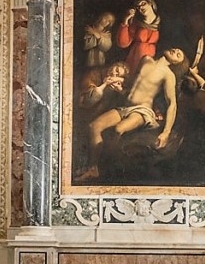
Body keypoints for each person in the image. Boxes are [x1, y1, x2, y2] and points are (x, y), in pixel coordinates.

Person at [76, 48, 188, 181]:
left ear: (176, 63)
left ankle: (108, 167)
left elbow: (172, 104)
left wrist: (166, 132)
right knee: (93, 126)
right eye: (175, 50)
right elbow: (133, 85)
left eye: (178, 54)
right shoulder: (146, 59)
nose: (175, 51)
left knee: (118, 129)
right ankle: (93, 168)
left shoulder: (168, 75)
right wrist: (120, 89)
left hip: (142, 111)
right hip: (125, 106)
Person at [116, 0, 160, 75]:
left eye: (143, 4)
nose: (141, 7)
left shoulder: (161, 23)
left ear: (151, 4)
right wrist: (126, 21)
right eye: (138, 7)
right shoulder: (137, 23)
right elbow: (123, 43)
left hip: (152, 60)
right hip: (135, 59)